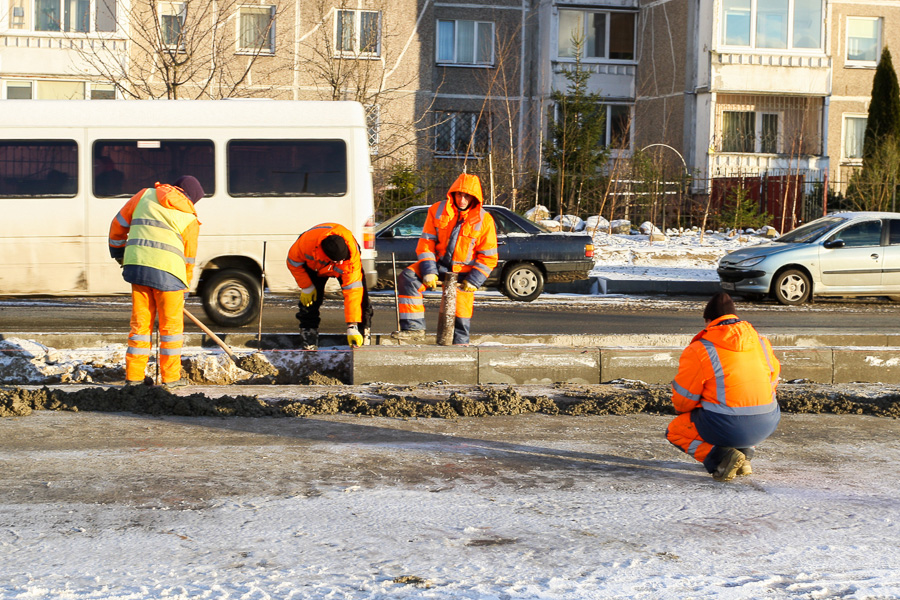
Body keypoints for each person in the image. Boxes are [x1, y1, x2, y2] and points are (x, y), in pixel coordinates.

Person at [666, 292, 781, 481]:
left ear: (708, 320)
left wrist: (684, 411)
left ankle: (722, 458)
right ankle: (744, 458)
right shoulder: (761, 343)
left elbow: (685, 399)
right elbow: (773, 381)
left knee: (676, 431)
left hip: (727, 425)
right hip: (767, 422)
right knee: (742, 406)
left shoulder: (701, 349)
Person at [108, 176, 204, 388]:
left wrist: (119, 253)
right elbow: (188, 260)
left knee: (140, 324)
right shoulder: (189, 218)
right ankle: (171, 379)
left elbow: (118, 224)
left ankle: (134, 378)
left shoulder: (144, 195)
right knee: (171, 330)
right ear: (191, 198)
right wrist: (185, 289)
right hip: (171, 275)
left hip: (138, 267)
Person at [392, 172, 498, 345]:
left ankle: (459, 349)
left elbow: (489, 256)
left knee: (460, 317)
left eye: (467, 196)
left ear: (474, 198)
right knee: (408, 277)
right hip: (438, 265)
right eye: (459, 194)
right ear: (453, 193)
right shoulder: (437, 210)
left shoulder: (484, 220)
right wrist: (428, 270)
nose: (462, 200)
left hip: (463, 275)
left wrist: (474, 280)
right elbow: (426, 242)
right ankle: (413, 329)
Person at [286, 223, 373, 350]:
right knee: (310, 302)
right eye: (337, 261)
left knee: (362, 301)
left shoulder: (351, 257)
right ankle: (309, 336)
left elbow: (353, 292)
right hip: (314, 266)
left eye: (342, 260)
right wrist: (307, 286)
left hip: (345, 267)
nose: (340, 263)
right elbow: (293, 263)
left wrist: (352, 325)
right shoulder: (305, 244)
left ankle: (361, 333)